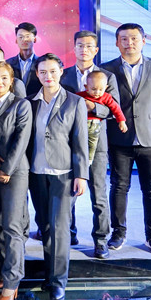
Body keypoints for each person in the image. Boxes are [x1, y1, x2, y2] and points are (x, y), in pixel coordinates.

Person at [101, 23, 151, 256]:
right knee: (119, 187)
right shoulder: (106, 69)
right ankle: (118, 233)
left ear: (143, 41)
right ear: (117, 42)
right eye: (124, 39)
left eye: (134, 38)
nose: (129, 43)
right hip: (118, 138)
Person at [28, 53, 89, 300]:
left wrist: (81, 175)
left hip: (63, 174)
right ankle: (49, 275)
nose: (48, 76)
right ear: (37, 74)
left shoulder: (75, 102)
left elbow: (80, 141)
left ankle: (58, 281)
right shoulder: (30, 102)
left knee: (60, 228)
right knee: (45, 226)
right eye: (43, 72)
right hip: (36, 172)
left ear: (61, 72)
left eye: (53, 71)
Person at [60, 31, 119, 257]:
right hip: (69, 143)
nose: (84, 50)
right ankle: (69, 233)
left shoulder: (107, 76)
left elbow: (114, 109)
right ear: (74, 48)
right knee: (68, 193)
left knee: (98, 194)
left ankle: (101, 240)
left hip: (97, 144)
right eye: (79, 45)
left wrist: (92, 106)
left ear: (96, 50)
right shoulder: (63, 75)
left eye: (88, 46)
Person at [0, 61, 32, 300]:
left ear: (11, 81)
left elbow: (22, 140)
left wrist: (6, 169)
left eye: (4, 77)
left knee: (13, 226)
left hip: (14, 172)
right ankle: (5, 271)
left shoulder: (21, 104)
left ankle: (13, 281)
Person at [78, 71, 128, 160]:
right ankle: (81, 158)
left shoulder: (106, 97)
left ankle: (89, 160)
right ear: (86, 87)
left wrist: (121, 121)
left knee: (92, 144)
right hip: (81, 124)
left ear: (106, 87)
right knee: (79, 142)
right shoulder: (80, 96)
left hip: (95, 125)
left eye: (101, 89)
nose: (97, 92)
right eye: (93, 89)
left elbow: (116, 109)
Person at [6, 22, 41, 96]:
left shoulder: (41, 63)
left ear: (35, 39)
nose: (24, 39)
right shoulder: (8, 64)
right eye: (20, 37)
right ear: (16, 40)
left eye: (27, 36)